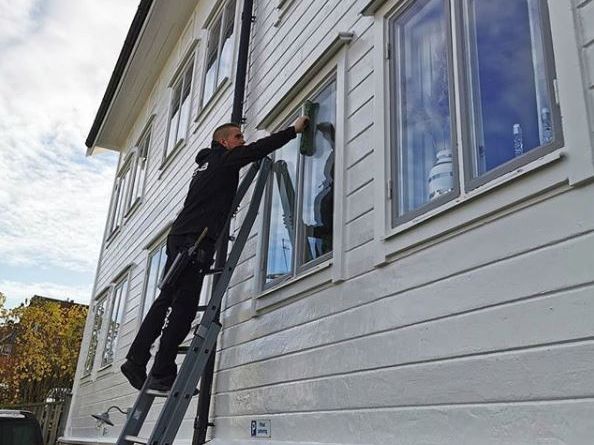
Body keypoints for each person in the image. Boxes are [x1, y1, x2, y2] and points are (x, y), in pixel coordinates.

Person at [121, 116, 309, 391]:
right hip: (194, 242)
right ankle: (153, 368)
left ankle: (143, 362)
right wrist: (293, 130)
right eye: (238, 137)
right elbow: (257, 150)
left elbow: (212, 194)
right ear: (224, 142)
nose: (242, 141)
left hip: (182, 237)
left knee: (167, 299)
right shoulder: (223, 159)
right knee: (182, 310)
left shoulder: (207, 165)